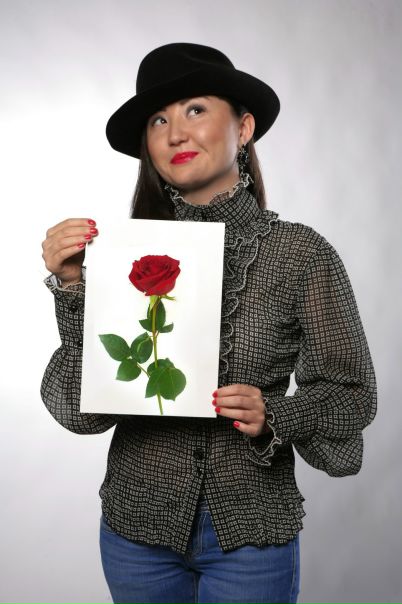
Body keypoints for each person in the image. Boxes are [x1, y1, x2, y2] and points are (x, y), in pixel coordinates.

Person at [41, 43, 377, 604]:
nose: (175, 133)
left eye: (195, 110)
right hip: (135, 529)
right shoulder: (123, 256)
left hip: (251, 530)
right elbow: (79, 413)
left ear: (243, 128)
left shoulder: (301, 254)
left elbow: (355, 395)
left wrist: (276, 415)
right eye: (158, 120)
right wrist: (74, 290)